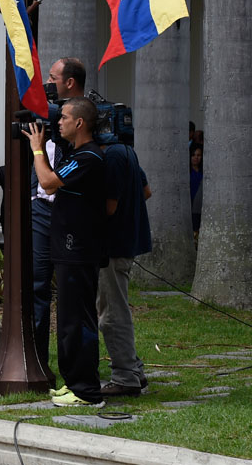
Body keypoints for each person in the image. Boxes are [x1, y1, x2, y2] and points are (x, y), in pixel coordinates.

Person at [24, 97, 108, 407]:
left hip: (78, 250)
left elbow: (46, 183)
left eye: (65, 117)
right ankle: (73, 381)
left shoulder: (88, 157)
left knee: (78, 320)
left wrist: (36, 146)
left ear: (80, 123)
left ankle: (86, 390)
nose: (58, 122)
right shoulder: (78, 154)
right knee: (69, 319)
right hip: (69, 248)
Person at [31, 56, 87, 367]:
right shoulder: (47, 115)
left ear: (69, 82)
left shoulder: (84, 117)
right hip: (40, 208)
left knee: (70, 291)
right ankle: (38, 362)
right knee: (37, 285)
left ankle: (73, 365)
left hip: (67, 211)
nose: (47, 84)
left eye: (52, 78)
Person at [97, 138, 152, 397]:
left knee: (112, 312)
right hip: (123, 245)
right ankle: (133, 369)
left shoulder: (113, 157)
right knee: (114, 308)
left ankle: (126, 375)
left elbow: (109, 206)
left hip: (113, 248)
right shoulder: (127, 152)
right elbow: (146, 191)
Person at [189, 142, 203, 234]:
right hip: (190, 206)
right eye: (193, 155)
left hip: (201, 207)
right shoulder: (187, 172)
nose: (196, 157)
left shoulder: (205, 172)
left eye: (198, 155)